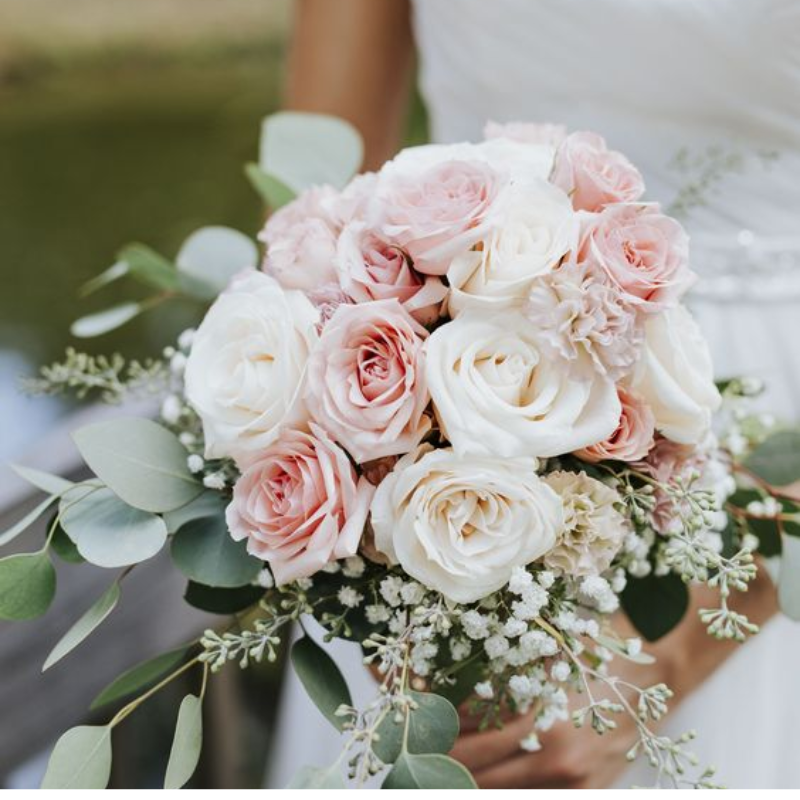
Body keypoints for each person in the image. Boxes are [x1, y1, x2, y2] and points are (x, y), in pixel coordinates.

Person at [267, 0, 800, 789]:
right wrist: (375, 575)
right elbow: (307, 207)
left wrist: (674, 651)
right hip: (432, 380)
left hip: (762, 456)